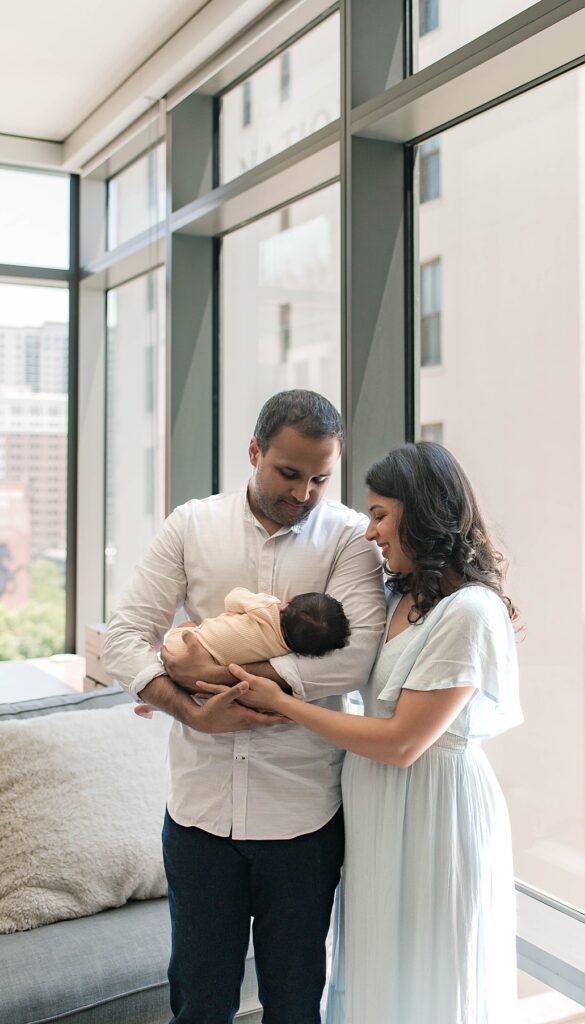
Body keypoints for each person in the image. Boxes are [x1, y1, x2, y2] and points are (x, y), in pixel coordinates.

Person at [205, 442, 523, 1024]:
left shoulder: (471, 613)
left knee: (429, 976)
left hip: (433, 812)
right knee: (379, 974)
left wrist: (284, 702)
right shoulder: (399, 595)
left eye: (380, 514)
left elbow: (403, 742)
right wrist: (178, 683)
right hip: (378, 811)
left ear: (421, 512)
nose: (370, 532)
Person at [101, 390, 385, 1024]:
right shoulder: (191, 525)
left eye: (319, 477)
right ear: (254, 451)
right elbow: (122, 638)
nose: (305, 492)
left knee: (293, 1005)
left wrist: (226, 675)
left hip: (303, 820)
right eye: (289, 473)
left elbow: (355, 658)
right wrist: (192, 709)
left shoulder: (346, 538)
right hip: (200, 815)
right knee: (199, 1006)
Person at [134, 587, 351, 718]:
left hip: (183, 646)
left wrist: (267, 602)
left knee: (189, 625)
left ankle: (152, 700)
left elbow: (233, 598)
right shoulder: (283, 655)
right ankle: (152, 705)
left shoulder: (265, 609)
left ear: (285, 607)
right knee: (191, 691)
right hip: (205, 670)